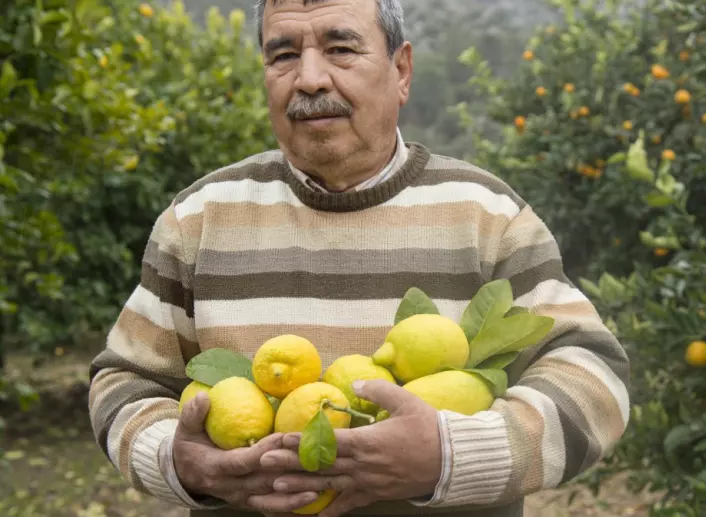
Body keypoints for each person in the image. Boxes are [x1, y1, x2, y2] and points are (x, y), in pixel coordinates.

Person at [87, 1, 631, 516]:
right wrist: (176, 461)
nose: (310, 78)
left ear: (401, 70)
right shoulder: (200, 219)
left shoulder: (487, 215)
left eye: (340, 49)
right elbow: (124, 380)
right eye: (283, 55)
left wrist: (449, 456)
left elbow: (594, 376)